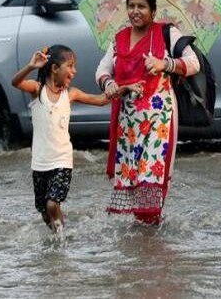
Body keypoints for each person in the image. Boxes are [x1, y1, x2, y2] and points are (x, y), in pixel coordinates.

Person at [95, 0, 200, 225]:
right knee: (134, 180)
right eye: (131, 6)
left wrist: (165, 64)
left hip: (159, 120)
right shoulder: (119, 38)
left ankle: (153, 242)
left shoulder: (167, 33)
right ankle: (145, 243)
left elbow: (193, 63)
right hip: (128, 122)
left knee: (152, 178)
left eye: (141, 6)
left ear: (153, 9)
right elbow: (102, 69)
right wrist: (108, 83)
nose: (135, 11)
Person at [12, 44, 141, 234]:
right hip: (39, 163)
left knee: (52, 203)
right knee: (45, 212)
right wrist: (31, 66)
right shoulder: (37, 90)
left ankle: (61, 240)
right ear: (55, 69)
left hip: (62, 161)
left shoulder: (70, 94)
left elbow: (101, 99)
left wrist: (124, 89)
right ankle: (61, 235)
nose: (75, 71)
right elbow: (16, 82)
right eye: (70, 66)